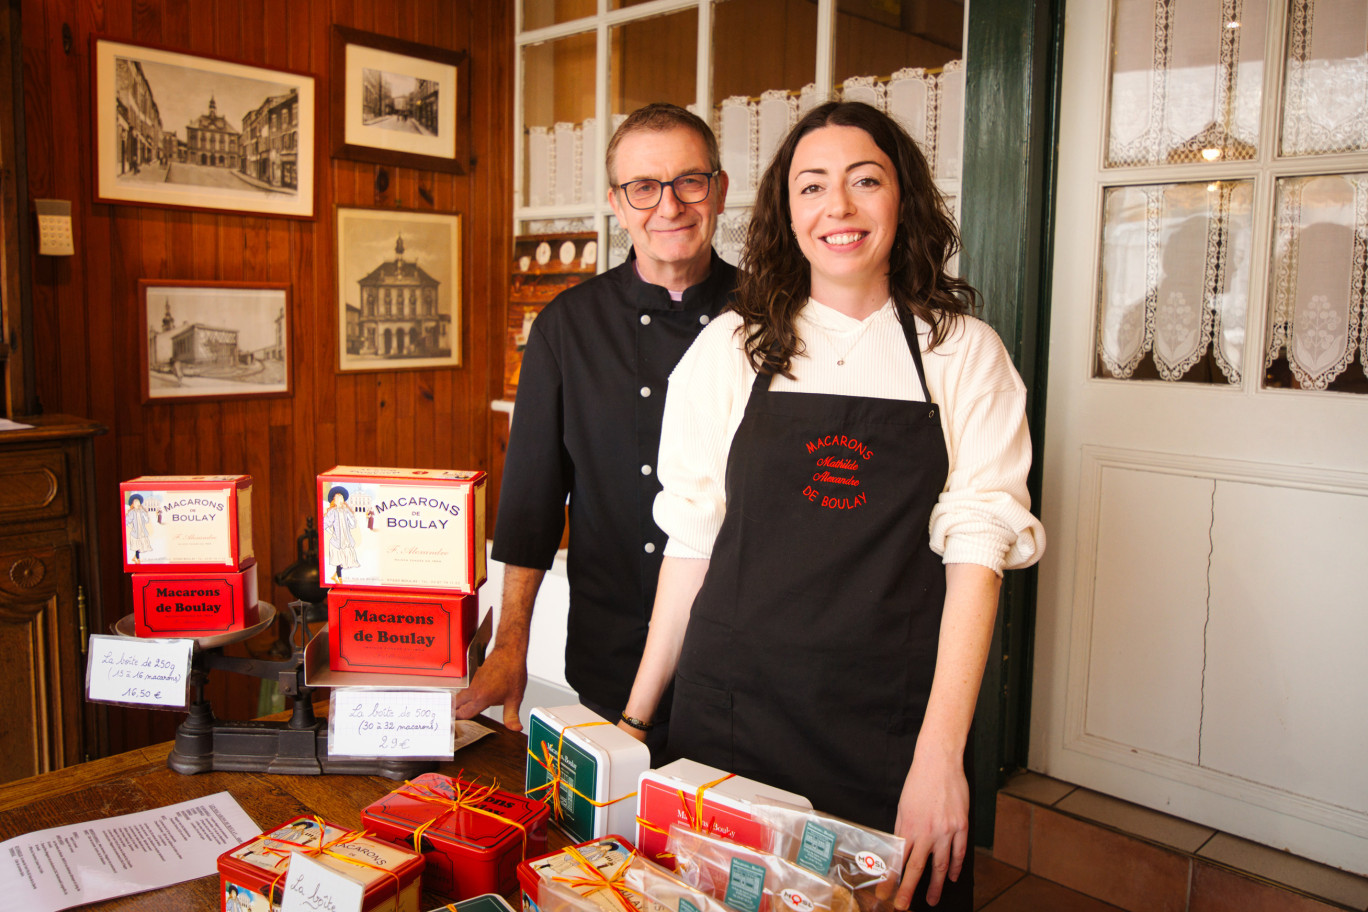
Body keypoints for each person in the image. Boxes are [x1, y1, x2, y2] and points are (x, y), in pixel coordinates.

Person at [617, 101, 1044, 911]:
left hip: (886, 725)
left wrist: (940, 757)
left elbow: (978, 556)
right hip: (732, 716)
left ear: (903, 198)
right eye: (811, 186)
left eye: (864, 181)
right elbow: (691, 540)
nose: (837, 207)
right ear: (786, 209)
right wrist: (635, 720)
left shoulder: (961, 352)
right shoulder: (732, 347)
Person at [454, 104, 736, 752]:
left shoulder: (768, 317)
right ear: (617, 203)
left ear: (718, 191)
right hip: (612, 647)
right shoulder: (564, 327)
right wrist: (509, 645)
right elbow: (530, 506)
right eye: (644, 187)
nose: (668, 206)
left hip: (740, 660)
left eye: (689, 182)